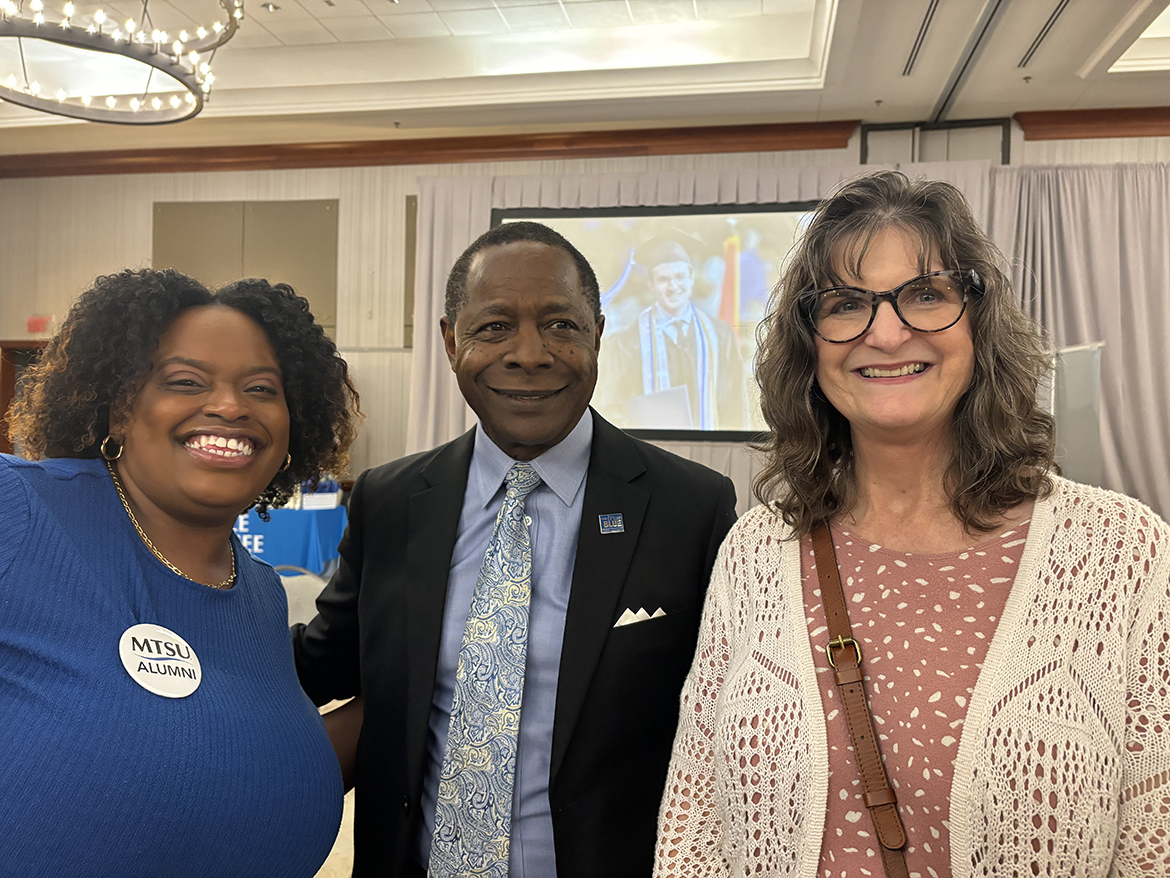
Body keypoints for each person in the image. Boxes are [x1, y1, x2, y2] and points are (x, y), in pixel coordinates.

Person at [655, 171, 1170, 877]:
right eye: (845, 303)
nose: (887, 332)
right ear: (810, 342)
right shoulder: (755, 552)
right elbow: (695, 833)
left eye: (926, 295)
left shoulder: (1122, 556)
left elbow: (1155, 843)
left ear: (980, 320)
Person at [293, 221, 738, 878]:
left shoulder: (691, 507)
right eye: (495, 326)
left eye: (560, 325)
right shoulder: (391, 502)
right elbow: (321, 665)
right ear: (450, 341)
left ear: (598, 334)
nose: (530, 354)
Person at [0, 269, 361, 878]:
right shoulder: (19, 511)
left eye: (262, 389)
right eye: (185, 381)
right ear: (119, 409)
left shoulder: (263, 597)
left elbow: (237, 759)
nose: (229, 406)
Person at [600, 237, 748, 429]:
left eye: (679, 277)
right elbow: (612, 408)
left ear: (691, 278)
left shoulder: (721, 335)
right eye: (663, 279)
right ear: (651, 284)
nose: (673, 287)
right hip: (650, 452)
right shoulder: (626, 343)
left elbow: (736, 404)